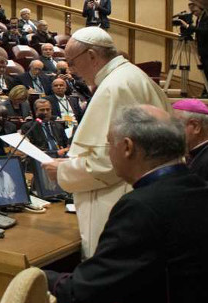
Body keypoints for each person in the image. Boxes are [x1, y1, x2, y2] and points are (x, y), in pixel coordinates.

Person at [45, 105, 208, 303]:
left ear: (128, 147)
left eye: (110, 143)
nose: (109, 152)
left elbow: (83, 293)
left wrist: (39, 277)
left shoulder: (142, 206)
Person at [41, 27, 171, 259]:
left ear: (91, 55)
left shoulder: (115, 87)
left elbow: (106, 165)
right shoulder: (132, 76)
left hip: (120, 201)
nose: (72, 70)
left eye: (72, 61)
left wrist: (63, 171)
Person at [180, 1, 208, 99]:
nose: (194, 13)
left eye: (195, 11)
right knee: (206, 71)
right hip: (204, 48)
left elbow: (204, 31)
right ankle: (207, 91)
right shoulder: (200, 17)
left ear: (200, 7)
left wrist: (187, 26)